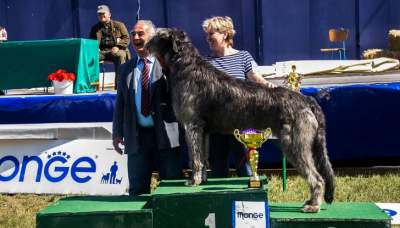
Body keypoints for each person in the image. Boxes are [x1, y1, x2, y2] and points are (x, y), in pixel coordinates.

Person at [112, 20, 182, 196]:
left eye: (141, 34)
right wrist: (117, 133)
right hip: (137, 137)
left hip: (166, 134)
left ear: (152, 37)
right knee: (137, 189)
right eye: (133, 34)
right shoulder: (125, 68)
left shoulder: (168, 62)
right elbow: (120, 103)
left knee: (172, 188)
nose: (136, 37)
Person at [202, 16, 276, 178]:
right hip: (216, 126)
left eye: (211, 34)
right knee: (218, 171)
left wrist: (270, 87)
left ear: (225, 34)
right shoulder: (205, 61)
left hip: (241, 123)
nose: (208, 38)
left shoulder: (243, 57)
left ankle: (248, 200)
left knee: (247, 170)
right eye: (207, 34)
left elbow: (256, 78)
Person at [89, 5, 130, 89]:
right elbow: (91, 42)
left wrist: (118, 46)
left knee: (120, 55)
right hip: (102, 52)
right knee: (90, 57)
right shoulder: (95, 28)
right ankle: (92, 86)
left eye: (103, 13)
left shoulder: (119, 25)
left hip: (115, 50)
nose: (101, 16)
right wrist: (95, 48)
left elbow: (126, 38)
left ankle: (119, 87)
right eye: (99, 14)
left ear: (109, 14)